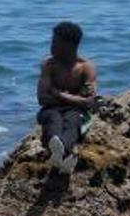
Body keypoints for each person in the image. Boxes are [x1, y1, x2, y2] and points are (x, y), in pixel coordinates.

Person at [36, 22, 97, 176]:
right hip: (50, 110)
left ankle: (61, 153)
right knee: (53, 119)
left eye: (55, 43)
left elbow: (89, 102)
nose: (51, 47)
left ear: (69, 45)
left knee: (73, 122)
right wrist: (76, 98)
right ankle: (65, 154)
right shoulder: (49, 64)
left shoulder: (86, 67)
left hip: (74, 111)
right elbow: (42, 99)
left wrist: (58, 94)